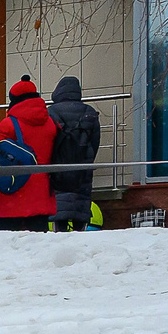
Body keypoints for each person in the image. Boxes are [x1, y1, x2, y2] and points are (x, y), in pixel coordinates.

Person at [0, 77, 58, 231]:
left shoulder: (9, 124)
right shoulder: (52, 123)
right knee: (39, 243)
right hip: (42, 194)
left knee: (7, 245)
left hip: (14, 191)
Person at [46, 76, 102, 232]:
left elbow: (47, 141)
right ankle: (80, 236)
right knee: (80, 207)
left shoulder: (51, 113)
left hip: (58, 168)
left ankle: (60, 237)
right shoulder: (89, 113)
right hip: (82, 169)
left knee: (60, 208)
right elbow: (95, 142)